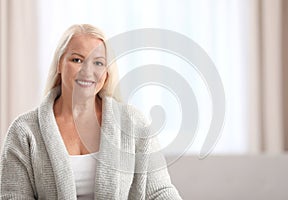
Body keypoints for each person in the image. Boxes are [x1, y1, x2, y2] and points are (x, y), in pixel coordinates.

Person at [0, 24, 182, 199]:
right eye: (77, 60)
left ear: (107, 73)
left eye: (98, 63)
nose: (88, 71)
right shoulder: (24, 131)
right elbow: (13, 196)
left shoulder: (134, 123)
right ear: (59, 65)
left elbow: (159, 191)